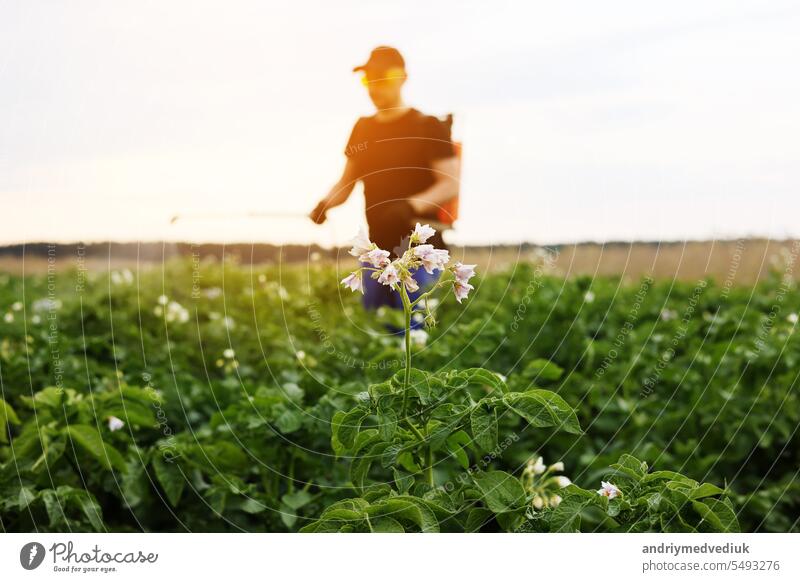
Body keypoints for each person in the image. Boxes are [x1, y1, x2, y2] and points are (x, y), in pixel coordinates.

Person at [309, 46, 460, 315]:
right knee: (376, 335)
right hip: (377, 255)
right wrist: (325, 204)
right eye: (368, 80)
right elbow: (346, 183)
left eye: (383, 79)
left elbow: (450, 183)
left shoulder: (428, 126)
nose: (374, 88)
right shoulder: (364, 128)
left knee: (412, 333)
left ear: (402, 77)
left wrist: (409, 206)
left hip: (421, 256)